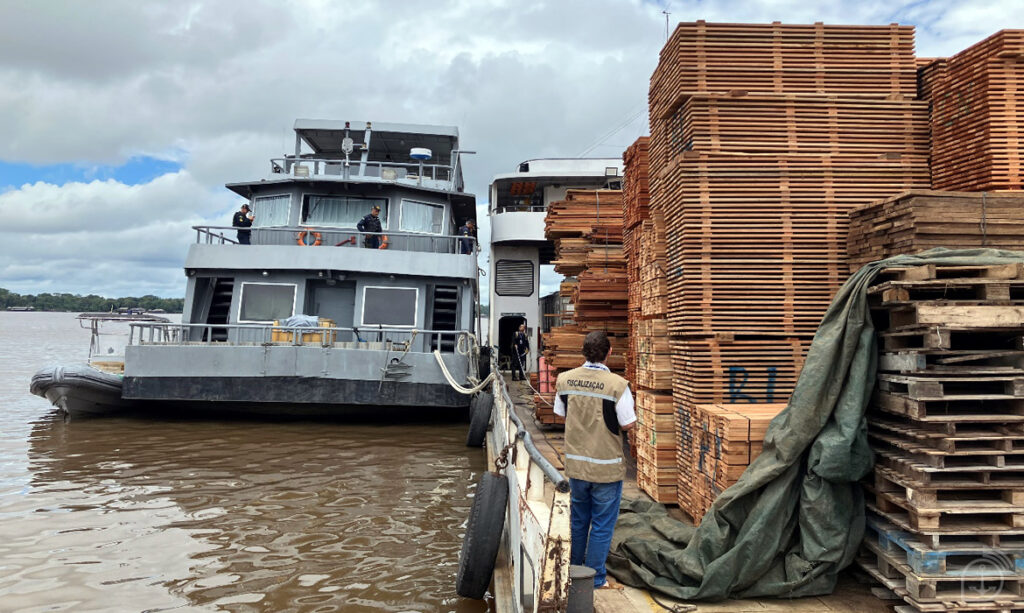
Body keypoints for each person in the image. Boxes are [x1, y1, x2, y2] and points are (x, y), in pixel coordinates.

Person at [553, 331, 636, 589]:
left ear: (583, 352)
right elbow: (628, 423)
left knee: (578, 520)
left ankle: (575, 570)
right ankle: (596, 578)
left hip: (577, 467)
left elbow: (561, 414)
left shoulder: (564, 380)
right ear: (609, 353)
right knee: (601, 524)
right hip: (606, 469)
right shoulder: (617, 385)